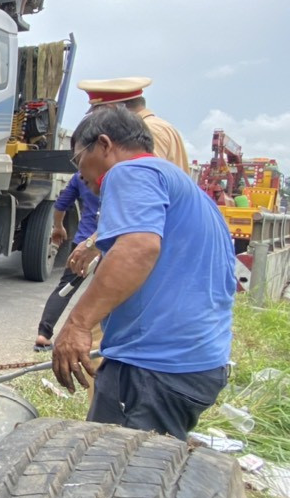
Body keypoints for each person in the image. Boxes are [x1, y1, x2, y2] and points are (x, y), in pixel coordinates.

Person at [52, 105, 235, 440]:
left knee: (114, 476)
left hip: (154, 367)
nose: (80, 176)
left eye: (79, 161)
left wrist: (77, 325)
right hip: (191, 363)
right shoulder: (183, 187)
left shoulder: (130, 173)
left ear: (105, 145)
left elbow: (138, 249)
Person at [33, 172, 99, 351]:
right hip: (107, 242)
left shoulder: (80, 176)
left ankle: (43, 334)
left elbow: (61, 204)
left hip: (83, 243)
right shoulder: (117, 174)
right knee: (104, 290)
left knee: (66, 288)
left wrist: (58, 226)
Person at [76, 76, 189, 171]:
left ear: (111, 109)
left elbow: (143, 179)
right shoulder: (155, 126)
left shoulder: (148, 130)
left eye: (97, 112)